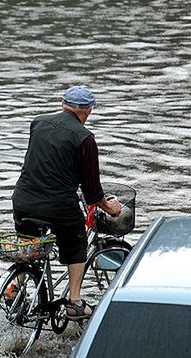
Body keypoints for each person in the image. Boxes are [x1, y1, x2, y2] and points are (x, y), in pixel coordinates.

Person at [12, 85, 121, 320]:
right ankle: (75, 302)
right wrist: (110, 208)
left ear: (63, 104)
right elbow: (92, 192)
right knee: (76, 244)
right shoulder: (85, 139)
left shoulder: (38, 123)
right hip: (58, 205)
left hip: (23, 199)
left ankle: (15, 286)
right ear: (88, 110)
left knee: (30, 242)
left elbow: (44, 162)